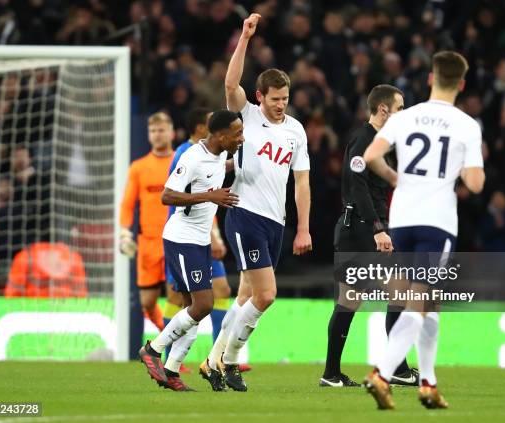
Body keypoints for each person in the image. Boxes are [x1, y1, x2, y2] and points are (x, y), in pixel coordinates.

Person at [363, 51, 485, 409]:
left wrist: (395, 178)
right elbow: (475, 184)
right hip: (437, 221)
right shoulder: (466, 125)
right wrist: (463, 167)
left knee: (428, 303)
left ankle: (429, 383)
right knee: (420, 301)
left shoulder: (407, 117)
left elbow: (372, 156)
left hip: (401, 219)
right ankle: (382, 373)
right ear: (461, 84)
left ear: (431, 79)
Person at [199, 13, 312, 392]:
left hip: (275, 221)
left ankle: (212, 360)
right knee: (266, 295)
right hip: (244, 214)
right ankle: (229, 363)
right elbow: (231, 82)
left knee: (246, 296)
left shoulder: (296, 131)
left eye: (285, 99)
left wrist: (304, 227)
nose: (281, 105)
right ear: (260, 96)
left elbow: (302, 180)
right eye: (275, 99)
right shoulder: (246, 116)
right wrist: (245, 38)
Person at [321, 84, 420, 388]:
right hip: (361, 233)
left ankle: (343, 372)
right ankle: (336, 373)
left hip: (367, 230)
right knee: (354, 301)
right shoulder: (363, 140)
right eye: (400, 107)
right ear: (382, 109)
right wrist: (377, 229)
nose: (403, 113)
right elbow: (356, 187)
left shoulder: (379, 142)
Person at [138, 110, 244, 392]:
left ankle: (171, 371)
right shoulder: (192, 158)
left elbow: (224, 167)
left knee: (193, 310)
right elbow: (167, 195)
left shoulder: (220, 154)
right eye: (237, 134)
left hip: (199, 241)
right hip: (182, 240)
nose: (241, 138)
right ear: (221, 136)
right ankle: (153, 349)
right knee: (203, 305)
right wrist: (209, 196)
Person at [119, 112, 174, 332]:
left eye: (161, 130)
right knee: (147, 303)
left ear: (170, 132)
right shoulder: (139, 167)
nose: (157, 135)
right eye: (153, 131)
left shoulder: (179, 161)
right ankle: (166, 335)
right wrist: (124, 232)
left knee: (176, 299)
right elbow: (127, 204)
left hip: (175, 241)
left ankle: (173, 354)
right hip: (148, 244)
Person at [4, 242, 87, 298]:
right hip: (65, 318)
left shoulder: (24, 257)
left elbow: (11, 298)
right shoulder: (74, 258)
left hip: (30, 318)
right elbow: (81, 299)